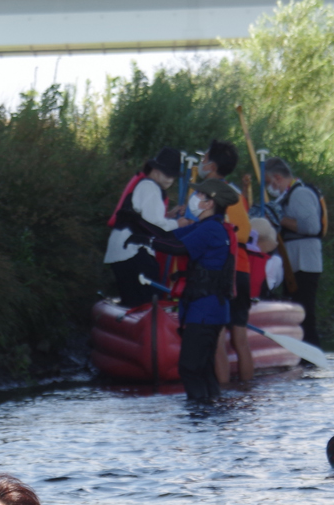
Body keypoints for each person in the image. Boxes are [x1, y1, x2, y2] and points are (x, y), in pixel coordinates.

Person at [163, 177, 240, 405]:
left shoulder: (211, 229)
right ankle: (210, 417)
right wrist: (144, 230)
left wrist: (145, 238)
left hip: (206, 309)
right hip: (205, 308)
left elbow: (177, 247)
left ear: (209, 203)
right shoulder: (205, 226)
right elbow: (171, 237)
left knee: (190, 367)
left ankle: (200, 419)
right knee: (203, 367)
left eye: (199, 195)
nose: (194, 198)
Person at [193, 140, 257, 383]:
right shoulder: (237, 194)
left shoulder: (206, 193)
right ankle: (246, 392)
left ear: (212, 164)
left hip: (222, 273)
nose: (201, 162)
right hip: (242, 271)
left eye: (205, 158)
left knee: (218, 337)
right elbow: (245, 231)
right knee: (240, 338)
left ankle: (220, 397)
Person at [104, 147, 182, 308]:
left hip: (121, 251)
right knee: (147, 303)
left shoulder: (145, 186)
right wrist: (178, 223)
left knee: (132, 302)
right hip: (133, 251)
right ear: (155, 169)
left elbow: (146, 218)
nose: (170, 180)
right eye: (167, 174)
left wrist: (169, 217)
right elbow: (155, 226)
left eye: (173, 176)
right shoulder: (150, 188)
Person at [264, 156, 324, 346]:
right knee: (295, 314)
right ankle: (299, 355)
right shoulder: (287, 196)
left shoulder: (300, 194)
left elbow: (311, 226)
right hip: (293, 262)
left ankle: (311, 359)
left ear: (277, 178)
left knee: (304, 314)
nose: (268, 187)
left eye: (267, 182)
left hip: (304, 262)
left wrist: (278, 218)